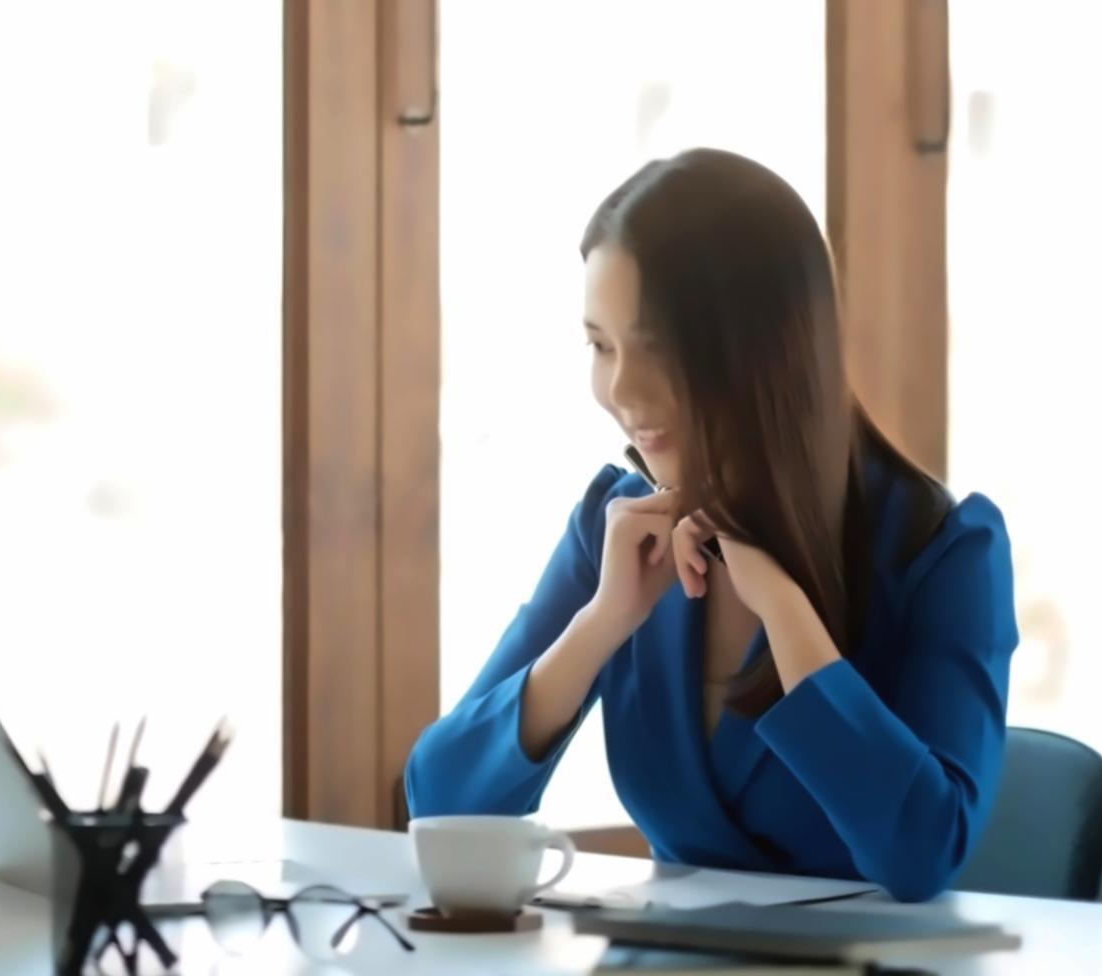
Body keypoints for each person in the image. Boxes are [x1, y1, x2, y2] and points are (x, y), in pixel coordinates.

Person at [406, 149, 1018, 902]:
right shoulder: (619, 530)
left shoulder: (946, 551)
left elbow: (924, 851)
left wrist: (789, 618)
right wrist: (601, 624)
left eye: (655, 347)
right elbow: (437, 800)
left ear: (761, 353)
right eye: (601, 346)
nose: (621, 389)